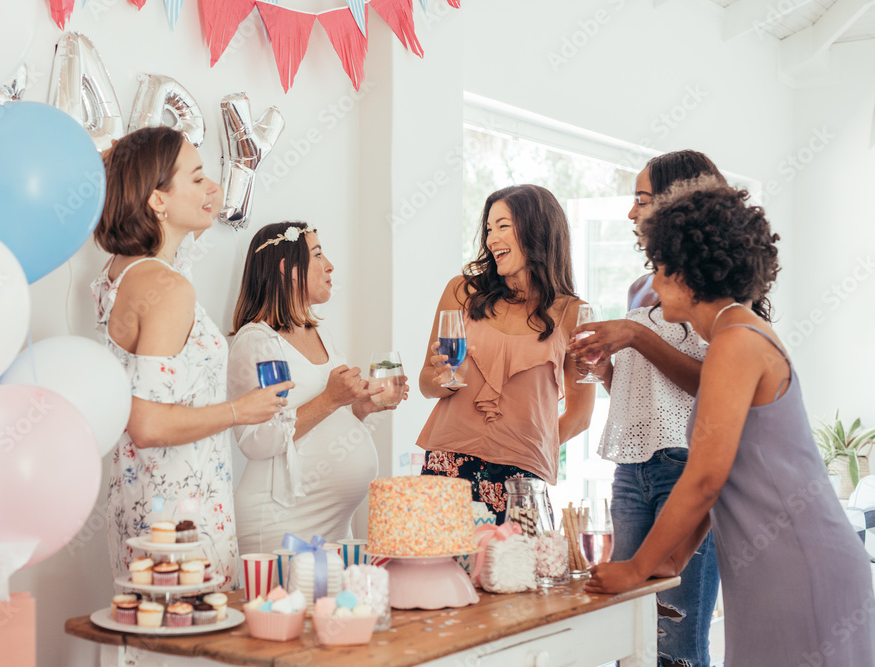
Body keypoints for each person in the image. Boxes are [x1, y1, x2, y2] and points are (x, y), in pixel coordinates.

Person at [585, 178, 875, 667]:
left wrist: (637, 568)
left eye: (659, 268)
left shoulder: (737, 340)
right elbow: (719, 474)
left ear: (689, 272)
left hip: (799, 563)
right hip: (771, 566)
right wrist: (673, 558)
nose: (652, 284)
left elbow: (703, 478)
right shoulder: (732, 336)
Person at [92, 127, 291, 590]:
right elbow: (147, 424)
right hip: (179, 514)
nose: (215, 188)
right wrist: (242, 410)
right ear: (157, 200)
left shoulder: (118, 273)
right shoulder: (166, 286)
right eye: (198, 178)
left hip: (141, 500)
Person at [568, 151, 724, 667]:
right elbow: (645, 392)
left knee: (676, 639)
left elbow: (713, 384)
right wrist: (606, 364)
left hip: (684, 465)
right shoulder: (645, 287)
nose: (630, 215)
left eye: (640, 201)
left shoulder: (716, 288)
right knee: (631, 634)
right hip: (632, 472)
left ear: (679, 202)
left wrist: (634, 334)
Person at [417, 184, 595, 518]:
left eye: (502, 226)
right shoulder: (462, 292)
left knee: (513, 569)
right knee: (442, 570)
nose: (491, 239)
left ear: (537, 230)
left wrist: (529, 447)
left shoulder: (573, 314)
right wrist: (444, 380)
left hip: (522, 478)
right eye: (488, 229)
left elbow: (581, 415)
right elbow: (427, 382)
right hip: (448, 462)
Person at [228, 222, 406, 553]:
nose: (330, 266)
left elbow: (323, 420)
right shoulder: (256, 342)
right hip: (281, 523)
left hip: (335, 526)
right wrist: (330, 399)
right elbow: (256, 439)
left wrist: (359, 409)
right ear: (289, 269)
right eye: (318, 255)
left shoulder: (321, 334)